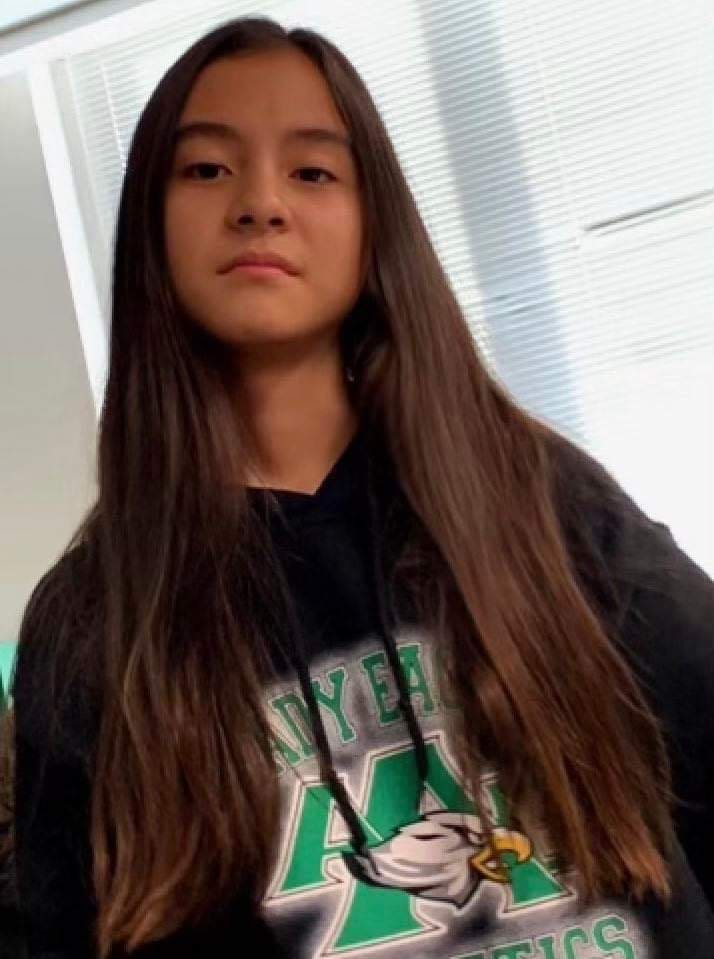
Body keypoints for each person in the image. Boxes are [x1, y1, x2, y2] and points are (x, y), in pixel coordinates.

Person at [9, 14, 714, 959]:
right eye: (207, 168)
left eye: (312, 171)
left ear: (374, 220)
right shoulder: (93, 619)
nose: (261, 202)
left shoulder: (544, 501)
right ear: (149, 226)